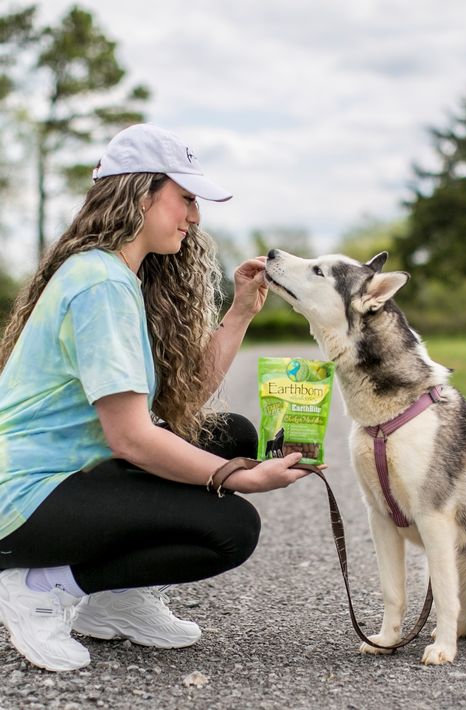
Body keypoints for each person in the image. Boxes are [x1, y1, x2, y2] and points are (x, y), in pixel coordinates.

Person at [0, 124, 311, 672]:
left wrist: (239, 311)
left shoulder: (118, 275)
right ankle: (39, 586)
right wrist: (236, 476)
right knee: (231, 528)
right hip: (22, 501)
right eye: (186, 198)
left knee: (233, 433)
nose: (195, 216)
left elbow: (179, 401)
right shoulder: (99, 284)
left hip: (71, 478)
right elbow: (132, 437)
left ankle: (115, 601)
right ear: (141, 193)